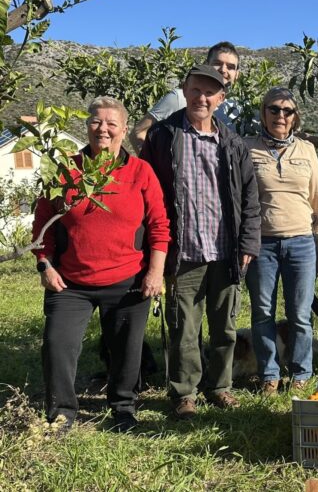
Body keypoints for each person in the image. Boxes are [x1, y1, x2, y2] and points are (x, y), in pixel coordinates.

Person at [33, 96, 170, 433]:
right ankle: (61, 413)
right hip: (70, 282)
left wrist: (155, 272)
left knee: (126, 349)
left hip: (127, 279)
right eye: (96, 121)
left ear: (124, 129)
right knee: (57, 344)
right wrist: (44, 265)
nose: (103, 129)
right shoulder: (67, 170)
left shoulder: (140, 172)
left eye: (111, 123)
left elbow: (159, 226)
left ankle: (123, 408)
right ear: (87, 126)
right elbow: (42, 225)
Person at [140, 64, 261, 419]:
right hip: (184, 251)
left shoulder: (233, 143)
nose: (202, 98)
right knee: (184, 328)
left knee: (225, 327)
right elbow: (148, 194)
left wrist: (248, 244)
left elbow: (250, 198)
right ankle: (184, 393)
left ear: (221, 99)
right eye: (195, 90)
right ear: (184, 90)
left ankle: (220, 387)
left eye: (210, 93)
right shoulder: (163, 137)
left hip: (225, 251)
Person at [244, 87, 318, 394]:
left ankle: (301, 372)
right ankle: (269, 373)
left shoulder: (307, 150)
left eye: (287, 111)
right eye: (274, 109)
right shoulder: (246, 148)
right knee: (262, 312)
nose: (280, 115)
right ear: (263, 113)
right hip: (262, 244)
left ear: (295, 117)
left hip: (301, 242)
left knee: (300, 314)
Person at [130, 41, 248, 152]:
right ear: (206, 65)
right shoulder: (180, 98)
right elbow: (138, 132)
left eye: (230, 67)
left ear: (237, 74)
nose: (223, 70)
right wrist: (153, 164)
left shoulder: (239, 111)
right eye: (217, 63)